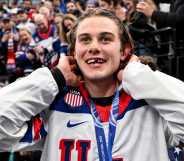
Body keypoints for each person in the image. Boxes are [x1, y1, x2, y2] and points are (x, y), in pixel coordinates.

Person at [0, 8, 184, 161]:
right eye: (85, 39)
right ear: (73, 52)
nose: (94, 47)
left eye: (105, 39)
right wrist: (55, 77)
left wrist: (138, 76)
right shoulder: (55, 107)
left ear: (124, 50)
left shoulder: (152, 104)